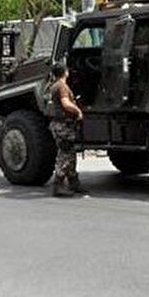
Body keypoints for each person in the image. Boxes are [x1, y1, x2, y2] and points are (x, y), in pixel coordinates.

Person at [48, 63, 85, 197]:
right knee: (65, 154)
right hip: (63, 125)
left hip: (60, 124)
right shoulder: (61, 86)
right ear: (65, 72)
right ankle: (58, 185)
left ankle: (74, 182)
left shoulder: (54, 86)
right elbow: (65, 103)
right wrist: (77, 111)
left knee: (70, 153)